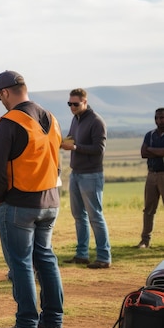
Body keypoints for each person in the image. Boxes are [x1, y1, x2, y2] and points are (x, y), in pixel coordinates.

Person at [0, 70, 64, 328]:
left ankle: (26, 324)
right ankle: (53, 320)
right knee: (46, 259)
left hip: (19, 203)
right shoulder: (52, 119)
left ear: (5, 92)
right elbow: (57, 160)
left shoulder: (8, 122)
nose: (1, 102)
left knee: (20, 264)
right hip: (50, 200)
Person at [61, 88, 112, 269]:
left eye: (75, 104)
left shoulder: (96, 121)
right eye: (69, 104)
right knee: (78, 216)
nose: (72, 107)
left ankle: (104, 257)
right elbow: (72, 139)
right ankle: (82, 254)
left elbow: (99, 149)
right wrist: (61, 142)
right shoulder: (76, 120)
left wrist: (74, 148)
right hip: (76, 173)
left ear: (85, 101)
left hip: (91, 174)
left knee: (95, 216)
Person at [134, 108, 164, 248]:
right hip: (151, 174)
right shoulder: (150, 135)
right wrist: (157, 151)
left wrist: (151, 149)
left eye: (162, 118)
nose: (159, 121)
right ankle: (145, 240)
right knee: (149, 209)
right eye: (157, 118)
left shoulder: (150, 138)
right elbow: (143, 153)